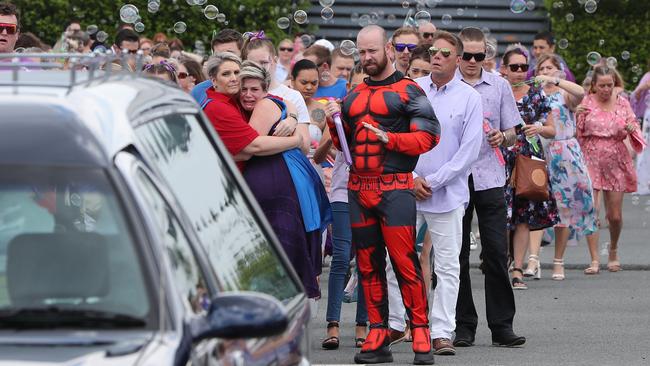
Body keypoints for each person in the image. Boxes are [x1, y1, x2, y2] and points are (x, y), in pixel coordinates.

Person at [325, 24, 440, 365]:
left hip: (395, 188)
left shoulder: (409, 91)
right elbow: (346, 145)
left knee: (405, 263)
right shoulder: (354, 95)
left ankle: (420, 329)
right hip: (359, 189)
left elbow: (429, 137)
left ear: (388, 48)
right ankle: (378, 331)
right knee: (367, 264)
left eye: (372, 51)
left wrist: (391, 140)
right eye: (361, 52)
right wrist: (334, 121)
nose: (366, 58)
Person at [389, 30, 483, 357]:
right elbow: (396, 135)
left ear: (458, 59)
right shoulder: (412, 90)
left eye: (445, 52)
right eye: (434, 52)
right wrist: (412, 176)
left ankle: (442, 331)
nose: (438, 56)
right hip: (407, 188)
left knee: (447, 265)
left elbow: (469, 150)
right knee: (395, 259)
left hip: (446, 193)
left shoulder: (470, 97)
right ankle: (396, 322)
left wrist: (435, 180)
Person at [236, 59, 331, 300]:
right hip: (290, 176)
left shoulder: (265, 106)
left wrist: (293, 137)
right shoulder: (283, 103)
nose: (248, 95)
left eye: (254, 89)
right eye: (243, 89)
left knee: (275, 252)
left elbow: (249, 146)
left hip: (278, 178)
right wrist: (291, 118)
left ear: (266, 89)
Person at [454, 27, 525, 349]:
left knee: (496, 251)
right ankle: (463, 325)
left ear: (487, 56)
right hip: (455, 178)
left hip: (490, 175)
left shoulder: (498, 85)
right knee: (456, 255)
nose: (472, 61)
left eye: (478, 56)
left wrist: (503, 137)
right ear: (457, 55)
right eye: (467, 55)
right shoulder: (447, 86)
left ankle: (502, 326)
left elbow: (513, 130)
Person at [525, 54, 599, 279]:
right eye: (542, 68)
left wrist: (554, 80)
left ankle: (559, 262)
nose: (545, 71)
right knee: (536, 203)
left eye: (550, 68)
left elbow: (580, 92)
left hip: (565, 154)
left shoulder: (565, 94)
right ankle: (532, 260)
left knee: (565, 208)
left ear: (559, 71)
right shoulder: (534, 95)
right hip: (539, 152)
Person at [502, 47, 559, 290]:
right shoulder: (496, 91)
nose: (518, 72)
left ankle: (517, 269)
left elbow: (551, 129)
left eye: (523, 67)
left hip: (527, 157)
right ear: (504, 68)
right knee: (502, 216)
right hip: (500, 157)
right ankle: (501, 261)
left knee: (523, 216)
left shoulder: (536, 95)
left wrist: (537, 128)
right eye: (514, 67)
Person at [577, 65, 640, 273]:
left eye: (610, 85)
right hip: (591, 158)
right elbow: (579, 133)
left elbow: (633, 125)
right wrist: (577, 115)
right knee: (591, 210)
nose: (606, 89)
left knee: (614, 215)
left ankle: (613, 249)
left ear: (615, 84)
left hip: (616, 160)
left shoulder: (622, 103)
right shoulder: (586, 102)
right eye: (602, 85)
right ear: (594, 86)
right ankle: (594, 259)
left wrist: (632, 129)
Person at [201, 52, 301, 171]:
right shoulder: (218, 107)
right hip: (225, 179)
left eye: (237, 73)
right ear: (214, 80)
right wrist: (295, 140)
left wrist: (292, 118)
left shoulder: (235, 97)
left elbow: (283, 100)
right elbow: (253, 147)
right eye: (226, 74)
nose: (233, 78)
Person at [241, 32, 311, 146]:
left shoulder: (292, 95)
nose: (259, 68)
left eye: (264, 63)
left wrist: (292, 120)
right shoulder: (240, 93)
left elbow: (305, 146)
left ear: (274, 61)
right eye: (252, 64)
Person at [630, 66, 650, 194]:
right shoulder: (648, 76)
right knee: (646, 148)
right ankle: (643, 183)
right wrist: (645, 87)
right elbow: (634, 96)